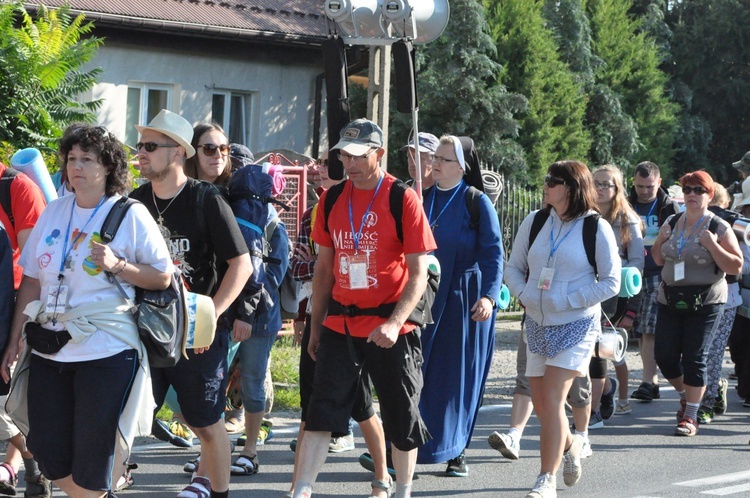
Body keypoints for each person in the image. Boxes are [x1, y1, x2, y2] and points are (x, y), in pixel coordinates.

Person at [0, 124, 173, 498]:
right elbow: (31, 280)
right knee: (47, 450)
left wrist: (118, 265)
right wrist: (14, 339)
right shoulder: (55, 211)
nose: (76, 166)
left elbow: (161, 276)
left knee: (92, 458)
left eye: (87, 159)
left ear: (108, 166)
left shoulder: (130, 213)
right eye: (71, 159)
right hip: (49, 345)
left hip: (106, 350)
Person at [291, 118, 436, 498]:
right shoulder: (332, 199)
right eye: (343, 154)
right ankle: (302, 490)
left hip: (392, 327)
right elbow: (324, 269)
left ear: (379, 154)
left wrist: (394, 322)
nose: (349, 163)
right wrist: (315, 324)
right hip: (342, 321)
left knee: (400, 414)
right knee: (321, 410)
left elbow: (419, 274)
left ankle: (401, 489)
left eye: (357, 155)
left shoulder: (401, 198)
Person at [129, 109, 252, 498]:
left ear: (178, 152)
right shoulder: (135, 202)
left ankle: (218, 492)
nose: (141, 154)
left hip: (196, 335)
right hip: (147, 329)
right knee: (127, 416)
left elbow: (242, 264)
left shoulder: (206, 199)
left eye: (150, 146)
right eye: (140, 146)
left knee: (205, 421)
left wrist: (211, 314)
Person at [505, 160, 620, 498]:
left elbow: (612, 281)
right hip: (537, 324)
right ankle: (570, 445)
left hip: (577, 325)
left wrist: (571, 299)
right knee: (543, 407)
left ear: (570, 188)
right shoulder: (536, 220)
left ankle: (545, 479)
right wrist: (524, 294)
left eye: (552, 181)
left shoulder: (596, 228)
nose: (545, 184)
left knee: (553, 401)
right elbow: (513, 267)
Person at [286, 150, 391, 498]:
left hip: (360, 322)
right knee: (311, 405)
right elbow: (305, 270)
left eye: (324, 168)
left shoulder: (375, 201)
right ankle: (298, 487)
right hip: (328, 320)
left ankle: (382, 478)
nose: (318, 172)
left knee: (363, 409)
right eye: (321, 167)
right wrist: (308, 322)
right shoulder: (314, 213)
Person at [417, 135, 503, 476]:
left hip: (464, 301)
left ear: (462, 167)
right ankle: (408, 445)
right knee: (418, 373)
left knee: (456, 378)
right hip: (423, 299)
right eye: (434, 157)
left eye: (444, 159)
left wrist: (489, 296)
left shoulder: (475, 201)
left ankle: (457, 451)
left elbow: (494, 255)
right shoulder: (420, 199)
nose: (435, 163)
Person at [652, 171, 742, 436]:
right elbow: (658, 260)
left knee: (695, 357)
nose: (692, 195)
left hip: (706, 301)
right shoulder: (672, 220)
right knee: (665, 356)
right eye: (687, 189)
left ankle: (691, 416)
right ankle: (687, 395)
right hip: (670, 297)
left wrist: (714, 247)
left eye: (699, 190)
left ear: (709, 195)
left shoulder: (718, 227)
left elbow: (736, 266)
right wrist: (661, 240)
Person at [0, 156, 49, 496]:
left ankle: (28, 462)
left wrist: (16, 334)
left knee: (8, 399)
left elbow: (36, 270)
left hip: (14, 305)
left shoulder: (18, 188)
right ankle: (33, 461)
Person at [588, 165, 644, 427]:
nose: (599, 189)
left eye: (605, 184)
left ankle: (593, 409)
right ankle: (607, 388)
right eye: (595, 183)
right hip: (584, 286)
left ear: (617, 188)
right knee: (584, 348)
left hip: (613, 291)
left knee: (598, 348)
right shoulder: (583, 213)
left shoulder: (628, 219)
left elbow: (636, 263)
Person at [627, 162, 679, 402]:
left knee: (649, 327)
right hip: (630, 273)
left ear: (659, 182)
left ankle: (649, 381)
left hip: (659, 272)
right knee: (636, 327)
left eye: (649, 186)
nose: (644, 191)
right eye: (639, 186)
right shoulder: (626, 204)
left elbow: (679, 243)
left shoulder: (669, 207)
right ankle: (649, 381)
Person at [698, 182, 744, 423]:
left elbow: (741, 264)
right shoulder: (689, 221)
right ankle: (712, 391)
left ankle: (708, 399)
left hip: (727, 297)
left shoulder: (736, 225)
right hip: (697, 296)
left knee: (713, 352)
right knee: (697, 353)